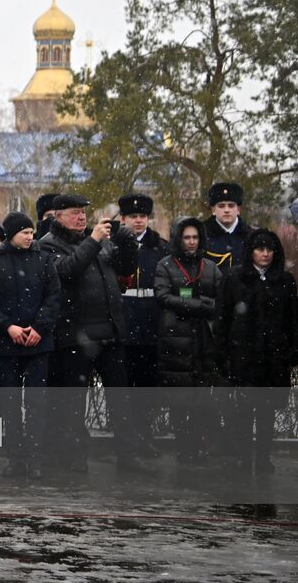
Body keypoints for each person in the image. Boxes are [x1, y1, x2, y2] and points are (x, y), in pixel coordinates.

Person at [37, 193, 144, 473]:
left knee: (121, 399)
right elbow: (68, 272)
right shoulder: (48, 245)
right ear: (57, 216)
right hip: (75, 335)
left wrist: (126, 241)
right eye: (74, 212)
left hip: (110, 332)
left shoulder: (99, 242)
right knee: (73, 403)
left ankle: (129, 456)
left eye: (84, 212)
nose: (81, 217)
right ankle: (74, 458)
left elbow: (125, 268)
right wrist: (94, 240)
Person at [0, 212, 60, 479]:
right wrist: (8, 326)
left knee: (37, 403)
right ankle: (14, 459)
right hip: (6, 344)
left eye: (32, 232)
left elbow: (53, 297)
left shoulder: (44, 260)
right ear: (12, 233)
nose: (30, 236)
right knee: (9, 404)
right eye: (24, 232)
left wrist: (39, 327)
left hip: (38, 343)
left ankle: (36, 458)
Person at [215, 229, 297, 474]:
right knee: (243, 411)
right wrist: (222, 353)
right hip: (243, 356)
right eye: (260, 249)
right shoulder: (234, 278)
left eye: (269, 249)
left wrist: (292, 351)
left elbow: (292, 320)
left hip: (273, 358)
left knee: (267, 411)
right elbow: (223, 318)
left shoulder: (284, 280)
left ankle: (263, 457)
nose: (265, 254)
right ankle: (243, 457)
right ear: (251, 252)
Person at [153, 216, 223, 465]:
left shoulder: (211, 267)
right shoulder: (165, 266)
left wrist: (204, 307)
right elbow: (162, 296)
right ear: (178, 239)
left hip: (204, 340)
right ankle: (184, 448)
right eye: (186, 237)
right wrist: (197, 305)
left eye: (195, 237)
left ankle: (199, 446)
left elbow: (221, 300)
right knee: (179, 401)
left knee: (202, 400)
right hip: (176, 341)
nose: (191, 242)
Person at [116, 193, 168, 454]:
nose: (138, 221)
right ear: (122, 218)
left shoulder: (160, 247)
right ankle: (128, 438)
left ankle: (145, 434)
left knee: (149, 386)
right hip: (124, 324)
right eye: (133, 217)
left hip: (151, 324)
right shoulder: (112, 245)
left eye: (143, 216)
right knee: (125, 385)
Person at [203, 182, 251, 273]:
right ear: (213, 210)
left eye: (231, 205)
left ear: (238, 209)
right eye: (221, 206)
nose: (226, 210)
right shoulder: (201, 234)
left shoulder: (251, 236)